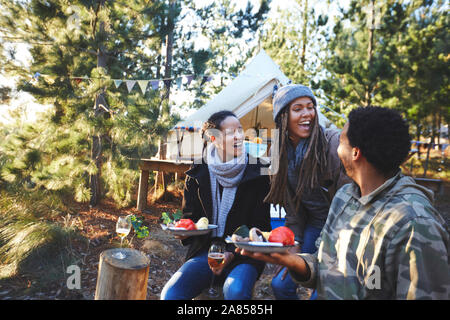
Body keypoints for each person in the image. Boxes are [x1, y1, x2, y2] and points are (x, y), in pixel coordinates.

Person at [239, 106, 450, 299]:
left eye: (340, 141)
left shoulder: (414, 225)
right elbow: (325, 264)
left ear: (356, 153)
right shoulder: (344, 197)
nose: (336, 149)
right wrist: (292, 261)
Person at [160, 110, 271, 300]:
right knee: (171, 294)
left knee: (235, 291)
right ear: (214, 138)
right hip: (206, 252)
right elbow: (190, 218)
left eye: (240, 130)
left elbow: (261, 226)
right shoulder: (197, 172)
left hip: (244, 255)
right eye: (230, 133)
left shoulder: (257, 172)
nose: (238, 136)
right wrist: (183, 231)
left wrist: (232, 253)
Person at [264, 84, 350, 299]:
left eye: (310, 107)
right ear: (283, 116)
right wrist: (295, 243)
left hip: (342, 229)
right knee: (281, 284)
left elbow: (351, 203)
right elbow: (292, 206)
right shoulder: (278, 153)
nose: (307, 114)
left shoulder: (333, 144)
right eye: (298, 109)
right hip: (313, 225)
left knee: (321, 293)